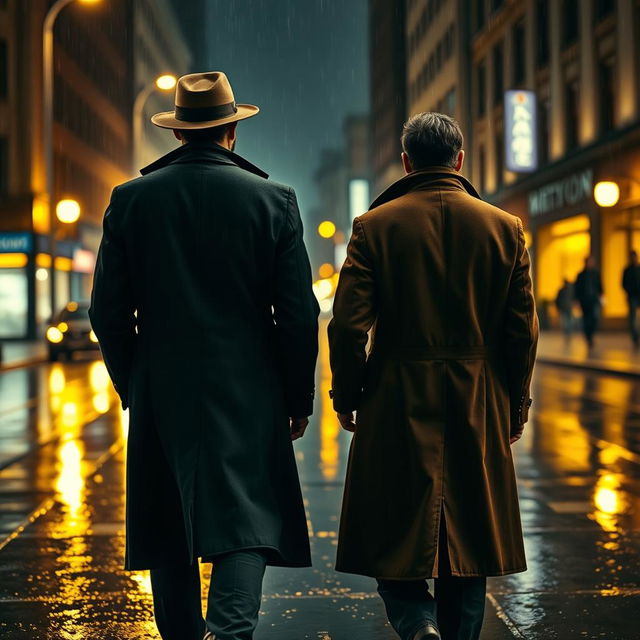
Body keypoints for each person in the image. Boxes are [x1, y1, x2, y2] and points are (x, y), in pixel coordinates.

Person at [90, 72, 319, 640]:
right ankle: (229, 631)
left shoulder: (130, 200)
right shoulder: (273, 201)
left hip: (162, 385)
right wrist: (296, 398)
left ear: (177, 134)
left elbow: (107, 314)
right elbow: (297, 315)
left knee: (168, 520)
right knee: (246, 517)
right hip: (249, 385)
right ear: (232, 132)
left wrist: (132, 382)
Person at [328, 112, 538, 640]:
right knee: (468, 539)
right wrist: (515, 405)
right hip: (478, 393)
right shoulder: (504, 228)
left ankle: (415, 619)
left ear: (406, 162)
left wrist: (348, 396)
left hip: (397, 392)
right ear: (460, 159)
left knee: (387, 527)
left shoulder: (374, 227)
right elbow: (522, 333)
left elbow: (348, 327)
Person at [574, 256, 603, 347]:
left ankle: (590, 334)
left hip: (594, 300)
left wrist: (602, 295)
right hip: (584, 301)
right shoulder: (580, 275)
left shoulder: (596, 274)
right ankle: (588, 336)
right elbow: (577, 289)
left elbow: (600, 286)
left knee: (595, 317)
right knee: (586, 319)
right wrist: (576, 300)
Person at [622, 250, 640, 347]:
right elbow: (623, 283)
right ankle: (635, 336)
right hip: (632, 296)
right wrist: (629, 291)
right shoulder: (627, 270)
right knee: (632, 318)